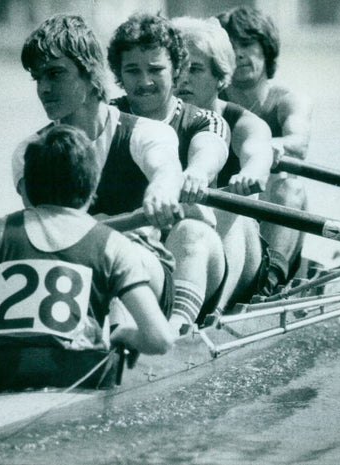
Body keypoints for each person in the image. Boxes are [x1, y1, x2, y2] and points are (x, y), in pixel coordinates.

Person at [0, 125, 176, 397]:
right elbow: (160, 339)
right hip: (77, 376)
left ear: (26, 186)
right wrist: (123, 335)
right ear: (93, 185)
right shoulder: (113, 244)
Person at [14, 14, 220, 336]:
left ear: (91, 72)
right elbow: (43, 237)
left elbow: (165, 169)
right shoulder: (30, 153)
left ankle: (165, 336)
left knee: (120, 250)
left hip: (145, 273)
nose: (43, 88)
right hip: (71, 279)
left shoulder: (146, 134)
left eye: (54, 74)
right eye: (38, 77)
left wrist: (161, 192)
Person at [107, 12, 230, 327]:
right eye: (132, 70)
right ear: (119, 75)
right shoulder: (106, 119)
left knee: (192, 231)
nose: (144, 81)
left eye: (156, 70)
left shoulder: (204, 121)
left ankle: (177, 330)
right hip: (128, 253)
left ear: (177, 71)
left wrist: (197, 174)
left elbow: (209, 150)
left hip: (189, 259)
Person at [172, 16, 274, 309]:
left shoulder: (243, 123)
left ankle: (213, 312)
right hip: (184, 245)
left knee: (235, 205)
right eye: (177, 69)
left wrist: (251, 173)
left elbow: (258, 153)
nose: (183, 79)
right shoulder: (156, 121)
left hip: (239, 255)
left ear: (221, 77)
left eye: (195, 69)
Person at [217, 6, 319, 295]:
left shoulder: (289, 101)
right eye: (230, 46)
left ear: (267, 49)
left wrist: (274, 145)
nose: (238, 53)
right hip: (230, 221)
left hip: (274, 222)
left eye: (247, 44)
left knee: (290, 186)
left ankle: (270, 282)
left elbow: (298, 144)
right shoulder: (212, 104)